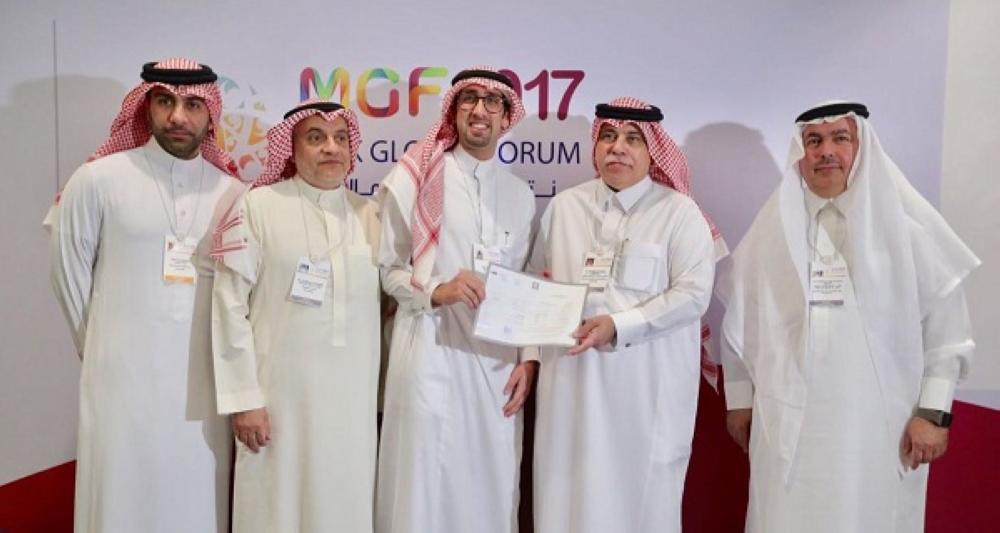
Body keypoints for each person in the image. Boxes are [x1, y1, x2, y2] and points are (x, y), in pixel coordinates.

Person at [719, 101, 980, 532]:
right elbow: (740, 326)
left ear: (861, 148)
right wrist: (739, 401)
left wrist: (934, 413)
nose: (826, 151)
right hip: (787, 427)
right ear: (800, 152)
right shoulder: (772, 233)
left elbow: (947, 333)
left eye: (840, 138)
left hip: (878, 428)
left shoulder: (909, 232)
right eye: (814, 141)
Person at [46, 58, 241, 532]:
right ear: (146, 106)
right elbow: (68, 273)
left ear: (210, 114)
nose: (178, 116)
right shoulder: (99, 179)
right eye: (165, 102)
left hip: (202, 387)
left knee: (194, 498)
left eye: (193, 105)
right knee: (120, 495)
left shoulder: (233, 192)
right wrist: (102, 347)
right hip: (121, 381)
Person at [529, 97, 721, 533]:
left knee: (639, 502)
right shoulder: (564, 207)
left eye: (633, 139)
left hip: (644, 393)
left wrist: (618, 325)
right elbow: (537, 281)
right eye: (609, 136)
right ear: (595, 146)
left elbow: (693, 295)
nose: (618, 147)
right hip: (571, 390)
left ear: (653, 152)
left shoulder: (679, 213)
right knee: (568, 498)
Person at [375, 67, 537, 533]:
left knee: (489, 485)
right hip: (429, 354)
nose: (479, 110)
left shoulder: (520, 195)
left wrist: (528, 359)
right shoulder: (417, 176)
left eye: (492, 101)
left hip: (497, 369)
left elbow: (527, 284)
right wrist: (435, 291)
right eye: (469, 99)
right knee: (423, 487)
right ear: (454, 110)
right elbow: (387, 269)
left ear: (506, 116)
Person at [210, 100, 381, 532]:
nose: (331, 148)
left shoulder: (369, 214)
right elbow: (229, 304)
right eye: (316, 137)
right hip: (276, 403)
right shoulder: (257, 206)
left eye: (340, 138)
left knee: (343, 505)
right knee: (276, 507)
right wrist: (244, 399)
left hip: (351, 406)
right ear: (291, 147)